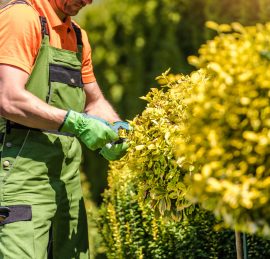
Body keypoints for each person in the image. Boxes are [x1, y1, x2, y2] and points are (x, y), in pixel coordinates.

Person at [0, 0, 129, 258]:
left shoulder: (78, 36)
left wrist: (119, 130)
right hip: (21, 176)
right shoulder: (22, 18)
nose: (88, 1)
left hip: (67, 181)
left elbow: (95, 102)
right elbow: (8, 98)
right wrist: (74, 122)